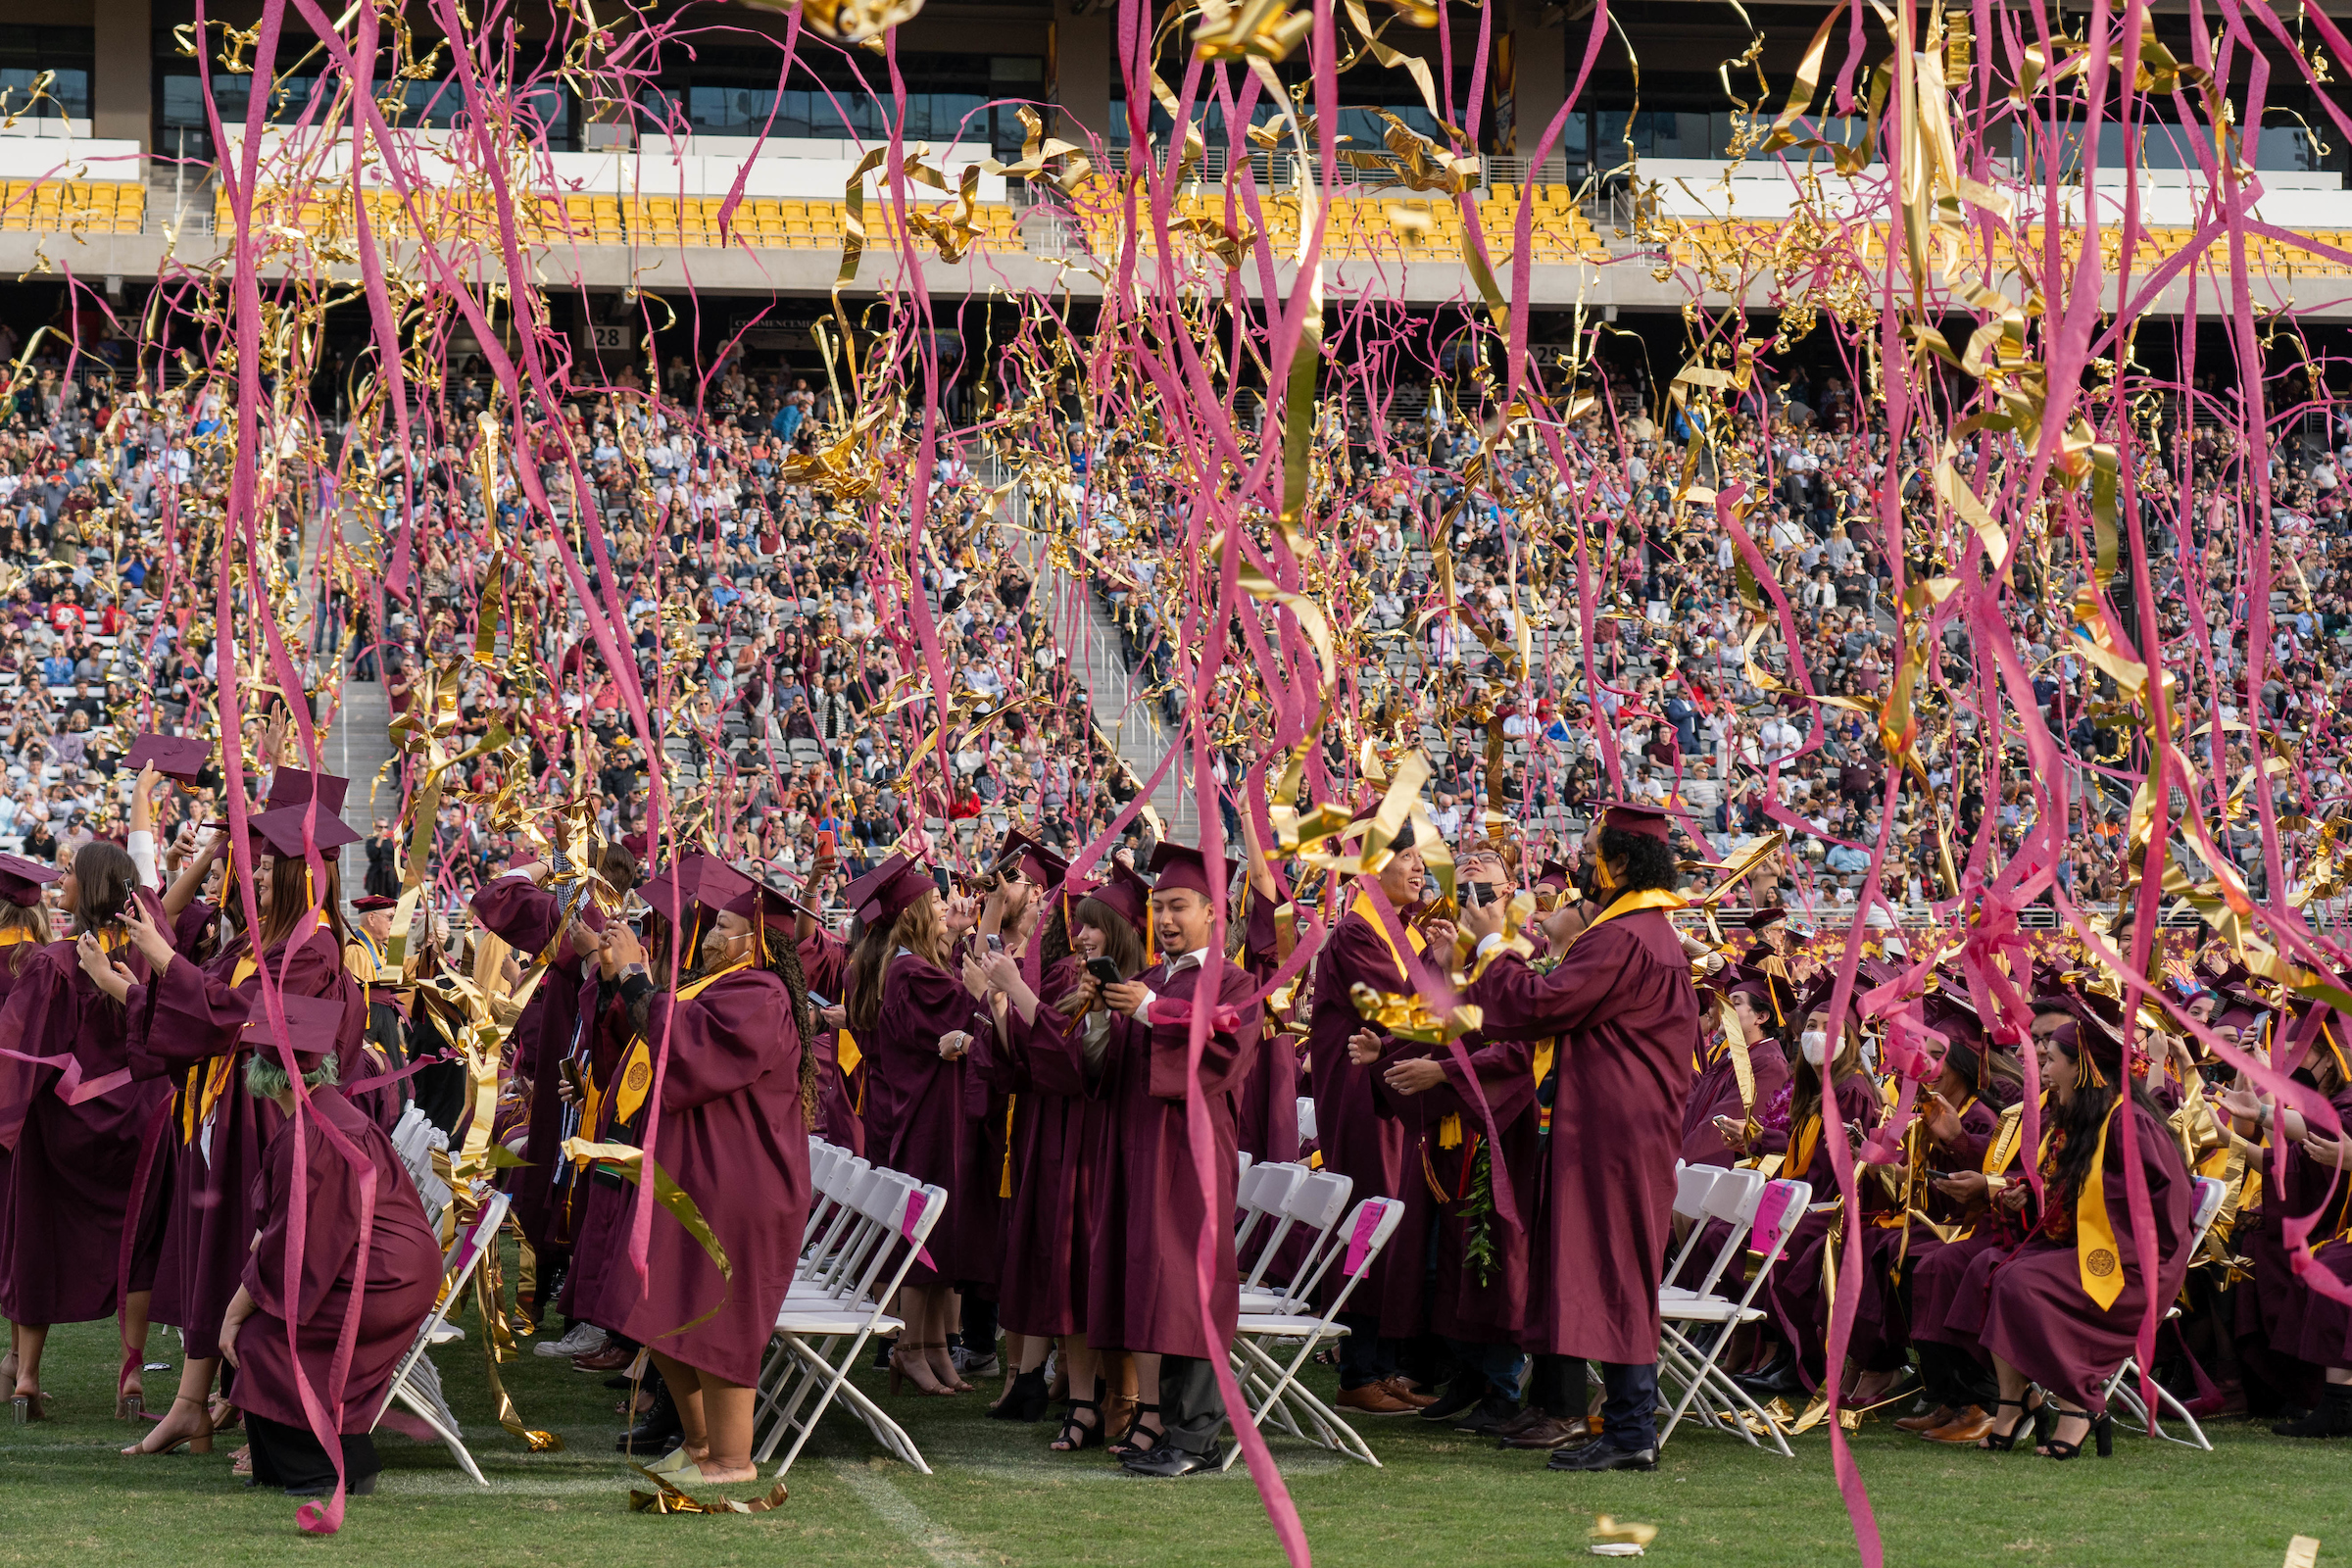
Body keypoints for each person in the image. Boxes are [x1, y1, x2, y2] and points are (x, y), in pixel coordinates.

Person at [108, 766, 368, 1458]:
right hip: (222, 1121)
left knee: (252, 1266)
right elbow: (205, 995)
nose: (245, 881)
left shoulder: (314, 948)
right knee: (213, 1259)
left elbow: (252, 1021)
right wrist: (153, 960)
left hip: (270, 1126)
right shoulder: (258, 943)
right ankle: (193, 1404)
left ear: (294, 878)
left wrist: (164, 960)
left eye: (262, 869)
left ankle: (262, 1414)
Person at [1457, 802, 1699, 1472]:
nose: (1583, 863)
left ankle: (1630, 1432)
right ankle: (1624, 1425)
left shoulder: (1623, 938)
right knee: (1610, 1271)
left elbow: (1540, 1006)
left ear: (1618, 863)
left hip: (1614, 1131)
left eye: (1593, 850)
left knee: (1619, 1273)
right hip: (1615, 1125)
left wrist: (1490, 944)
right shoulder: (1641, 933)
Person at [600, 878, 813, 1485]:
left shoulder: (762, 994)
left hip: (742, 1187)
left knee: (719, 1318)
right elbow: (661, 1027)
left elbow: (687, 1050)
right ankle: (698, 1443)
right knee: (659, 1308)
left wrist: (638, 978)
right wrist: (624, 975)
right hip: (701, 1178)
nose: (710, 935)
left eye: (723, 928)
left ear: (756, 942)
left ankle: (733, 1459)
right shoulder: (728, 987)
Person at [1079, 841, 1261, 1477]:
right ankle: (1171, 1427)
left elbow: (1222, 1047)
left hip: (1192, 1159)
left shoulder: (1234, 982)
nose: (1167, 920)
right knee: (1159, 1289)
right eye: (1160, 907)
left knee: (1191, 1289)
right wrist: (1102, 1018)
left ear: (1215, 912)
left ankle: (1199, 1436)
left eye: (1179, 906)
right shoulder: (1150, 980)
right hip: (1138, 1154)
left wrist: (1152, 1013)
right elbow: (1108, 1071)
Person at [219, 993, 442, 1497]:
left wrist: (233, 1313)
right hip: (396, 1271)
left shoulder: (312, 1135)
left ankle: (324, 1469)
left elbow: (296, 1251)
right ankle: (300, 1463)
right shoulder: (330, 1114)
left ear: (269, 1074)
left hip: (381, 1281)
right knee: (265, 1331)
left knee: (260, 1342)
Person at [967, 860, 1151, 1449]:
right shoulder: (1075, 980)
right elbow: (1029, 1061)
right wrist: (999, 1009)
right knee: (1069, 1277)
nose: (1083, 935)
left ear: (1120, 933)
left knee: (1094, 1274)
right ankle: (1079, 1400)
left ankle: (1115, 1399)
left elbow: (1077, 1067)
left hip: (1100, 1144)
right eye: (1081, 925)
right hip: (1060, 1137)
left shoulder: (1133, 988)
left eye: (1095, 927)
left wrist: (1016, 994)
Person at [1976, 998, 2198, 1459]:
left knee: (2022, 1281)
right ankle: (2013, 1403)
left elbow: (2162, 1209)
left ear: (2083, 1069)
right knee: (1994, 1269)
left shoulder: (2129, 1123)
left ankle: (2080, 1404)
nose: (2044, 1068)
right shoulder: (2091, 1118)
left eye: (2052, 1060)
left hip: (2139, 1265)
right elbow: (2080, 1194)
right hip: (2100, 1250)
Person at [2, 846, 172, 1422]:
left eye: (70, 871)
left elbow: (24, 1052)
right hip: (141, 1125)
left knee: (39, 1238)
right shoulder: (150, 959)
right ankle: (131, 1379)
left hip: (59, 1133)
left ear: (91, 884)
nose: (60, 878)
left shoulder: (52, 962)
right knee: (138, 1249)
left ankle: (26, 1379)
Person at [1309, 819, 1447, 1416]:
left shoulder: (1398, 932)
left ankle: (1384, 1366)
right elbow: (1399, 1009)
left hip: (1392, 1095)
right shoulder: (1357, 936)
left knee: (1397, 1226)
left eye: (1421, 859)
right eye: (1407, 857)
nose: (1420, 869)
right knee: (1370, 1218)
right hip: (1365, 1102)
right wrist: (1441, 966)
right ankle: (1357, 1371)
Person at [846, 854, 986, 1396]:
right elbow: (959, 1015)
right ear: (911, 915)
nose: (944, 907)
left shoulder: (903, 965)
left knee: (936, 1238)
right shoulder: (910, 972)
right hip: (921, 1116)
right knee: (923, 1239)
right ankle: (909, 1348)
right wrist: (982, 983)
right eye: (934, 901)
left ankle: (929, 1349)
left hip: (923, 1110)